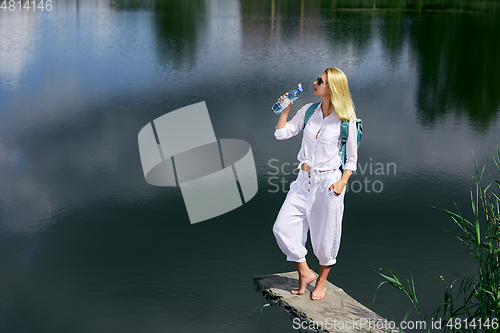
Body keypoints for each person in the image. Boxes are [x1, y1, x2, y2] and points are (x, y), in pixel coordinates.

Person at [272, 67, 358, 300]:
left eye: (320, 81)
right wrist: (285, 111)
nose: (315, 82)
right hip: (303, 181)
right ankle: (304, 272)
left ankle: (321, 281)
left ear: (332, 88)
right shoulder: (308, 111)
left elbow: (351, 161)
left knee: (325, 237)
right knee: (282, 228)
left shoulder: (345, 121)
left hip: (329, 183)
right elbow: (281, 134)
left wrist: (342, 182)